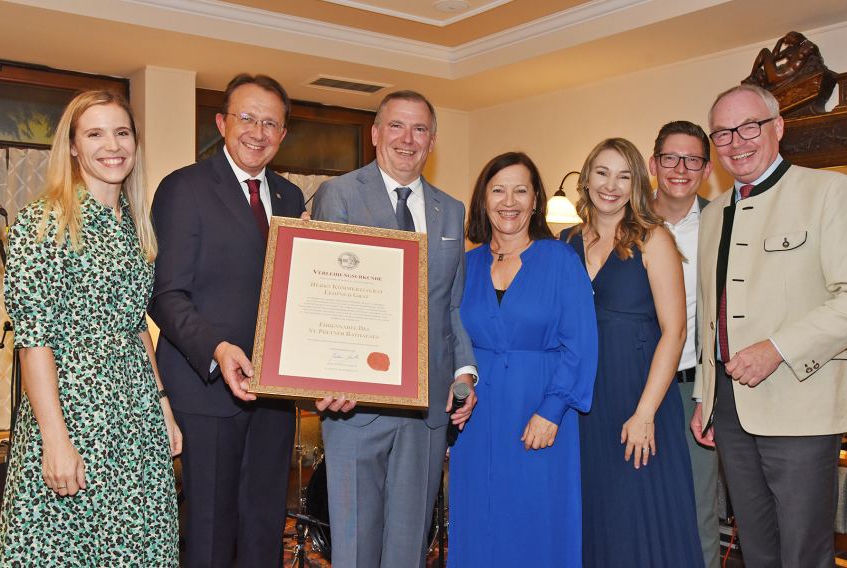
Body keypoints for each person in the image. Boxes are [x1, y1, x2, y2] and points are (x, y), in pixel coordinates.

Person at [692, 84, 847, 568]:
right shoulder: (713, 214)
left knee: (803, 550)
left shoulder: (829, 191)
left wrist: (776, 348)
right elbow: (710, 313)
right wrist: (705, 399)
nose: (736, 142)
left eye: (749, 127)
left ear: (778, 127)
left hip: (802, 402)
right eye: (722, 133)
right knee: (755, 547)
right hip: (731, 409)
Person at [0, 90, 179, 566]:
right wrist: (54, 440)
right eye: (94, 134)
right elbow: (33, 340)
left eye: (121, 132)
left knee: (139, 545)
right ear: (73, 147)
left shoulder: (136, 225)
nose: (111, 145)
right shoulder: (45, 221)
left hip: (135, 416)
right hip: (75, 414)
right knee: (67, 549)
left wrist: (163, 406)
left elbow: (135, 325)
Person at [311, 90, 477, 568]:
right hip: (354, 404)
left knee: (409, 545)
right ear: (376, 133)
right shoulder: (339, 194)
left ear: (433, 140)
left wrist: (465, 372)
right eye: (397, 126)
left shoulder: (452, 210)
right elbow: (326, 297)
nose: (408, 139)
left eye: (420, 129)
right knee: (356, 545)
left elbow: (453, 307)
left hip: (427, 408)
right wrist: (328, 375)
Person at [149, 74, 306, 567]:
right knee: (211, 531)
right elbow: (165, 295)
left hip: (274, 395)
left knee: (264, 529)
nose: (257, 132)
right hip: (207, 388)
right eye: (246, 118)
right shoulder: (184, 188)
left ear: (282, 134)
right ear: (221, 123)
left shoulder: (291, 198)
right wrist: (217, 348)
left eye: (271, 123)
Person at [448, 152, 597, 567]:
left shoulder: (561, 259)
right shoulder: (466, 264)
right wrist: (458, 391)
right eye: (497, 190)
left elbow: (581, 344)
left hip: (542, 411)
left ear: (536, 201)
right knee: (479, 519)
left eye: (520, 190)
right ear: (483, 200)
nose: (508, 201)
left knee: (537, 523)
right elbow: (452, 341)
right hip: (475, 418)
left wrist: (552, 410)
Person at [562, 137, 702, 567]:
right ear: (585, 180)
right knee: (593, 513)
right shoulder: (563, 241)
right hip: (582, 403)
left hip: (637, 397)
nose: (612, 185)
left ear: (638, 183)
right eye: (602, 173)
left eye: (624, 176)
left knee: (640, 515)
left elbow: (674, 332)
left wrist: (645, 414)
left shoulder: (653, 239)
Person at [648, 121, 721, 568]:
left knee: (698, 510)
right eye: (671, 158)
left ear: (706, 169)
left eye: (692, 160)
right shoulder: (624, 222)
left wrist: (712, 396)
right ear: (653, 164)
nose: (680, 169)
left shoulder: (723, 222)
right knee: (635, 504)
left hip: (694, 390)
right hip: (628, 386)